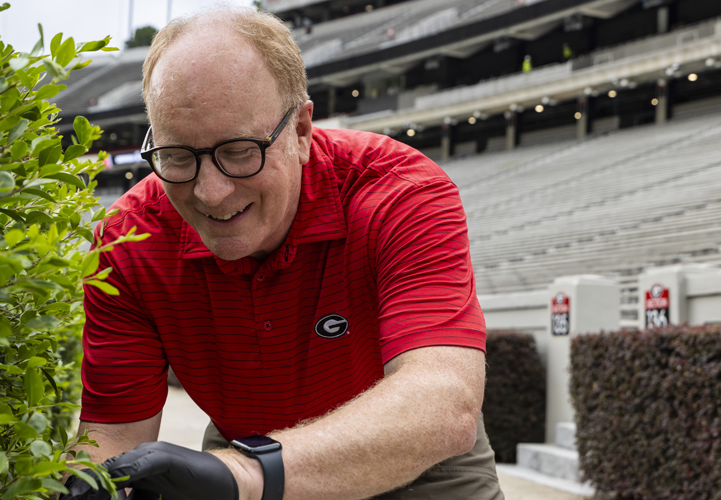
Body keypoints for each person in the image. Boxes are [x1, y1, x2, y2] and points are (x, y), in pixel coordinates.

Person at [63, 7, 503, 500]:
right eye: (178, 156)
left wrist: (247, 475)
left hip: (415, 459)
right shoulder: (127, 240)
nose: (211, 192)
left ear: (300, 131)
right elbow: (114, 438)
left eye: (239, 151)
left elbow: (443, 404)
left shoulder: (402, 191)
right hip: (244, 449)